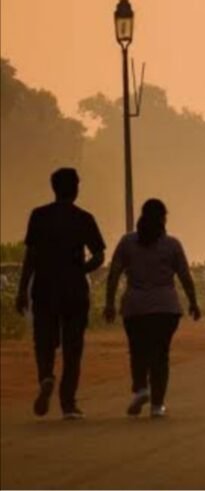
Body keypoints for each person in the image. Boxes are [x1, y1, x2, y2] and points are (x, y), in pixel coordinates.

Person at [15, 168, 105, 419]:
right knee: (72, 347)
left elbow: (30, 257)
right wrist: (82, 269)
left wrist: (22, 290)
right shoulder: (84, 218)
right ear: (75, 188)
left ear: (54, 188)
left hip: (44, 287)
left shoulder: (39, 216)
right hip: (74, 289)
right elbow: (99, 255)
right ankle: (68, 403)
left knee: (43, 340)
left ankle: (46, 376)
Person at [104, 199, 201, 418]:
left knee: (138, 350)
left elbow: (114, 274)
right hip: (166, 308)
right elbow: (185, 276)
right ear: (163, 219)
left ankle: (141, 388)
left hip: (135, 307)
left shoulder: (128, 242)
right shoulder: (172, 245)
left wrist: (109, 303)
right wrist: (193, 302)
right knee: (160, 355)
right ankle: (157, 405)